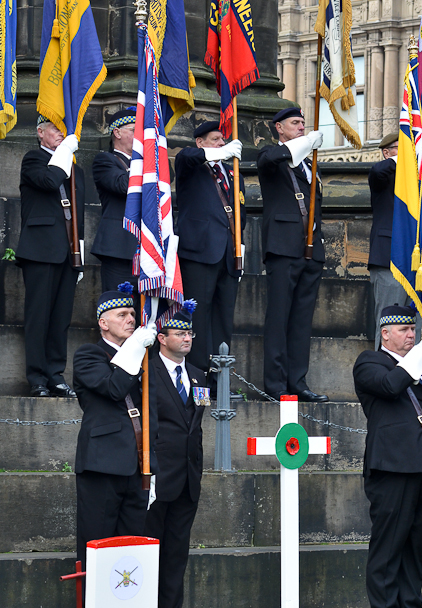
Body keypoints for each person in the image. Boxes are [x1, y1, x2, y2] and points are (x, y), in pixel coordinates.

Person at [353, 304, 422, 608]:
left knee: (415, 547)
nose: (412, 335)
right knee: (389, 546)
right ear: (385, 334)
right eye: (404, 330)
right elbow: (392, 385)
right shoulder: (369, 362)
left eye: (414, 331)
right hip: (392, 467)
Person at [73, 283, 158, 568]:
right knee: (97, 546)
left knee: (131, 552)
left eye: (133, 314)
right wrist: (135, 347)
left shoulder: (142, 358)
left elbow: (151, 414)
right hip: (103, 465)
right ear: (103, 322)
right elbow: (113, 388)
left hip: (137, 467)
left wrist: (152, 465)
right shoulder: (88, 355)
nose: (131, 319)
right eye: (122, 314)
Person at [144, 300, 209, 608]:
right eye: (180, 333)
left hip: (187, 477)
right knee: (151, 547)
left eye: (190, 333)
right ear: (160, 337)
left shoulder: (198, 374)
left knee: (176, 552)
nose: (187, 338)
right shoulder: (146, 372)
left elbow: (194, 425)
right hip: (157, 476)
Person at [257, 107, 328, 403]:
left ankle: (297, 381)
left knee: (301, 320)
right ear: (279, 128)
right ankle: (275, 385)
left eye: (303, 123)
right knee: (279, 317)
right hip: (283, 247)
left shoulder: (308, 165)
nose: (301, 127)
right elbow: (271, 158)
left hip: (310, 248)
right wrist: (304, 143)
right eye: (294, 123)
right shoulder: (271, 155)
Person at [16, 115, 84, 397]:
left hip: (68, 252)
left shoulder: (75, 170)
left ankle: (55, 374)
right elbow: (47, 181)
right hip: (41, 249)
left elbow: (77, 215)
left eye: (63, 130)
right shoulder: (33, 159)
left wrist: (78, 250)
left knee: (60, 319)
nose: (60, 134)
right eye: (55, 128)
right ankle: (37, 377)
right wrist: (65, 152)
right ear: (40, 133)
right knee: (39, 316)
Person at [175, 121, 245, 392]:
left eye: (222, 139)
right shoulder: (190, 163)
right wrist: (219, 153)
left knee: (223, 318)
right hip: (200, 252)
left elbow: (240, 209)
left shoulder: (230, 171)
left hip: (228, 253)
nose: (221, 143)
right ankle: (198, 376)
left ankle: (220, 379)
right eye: (215, 139)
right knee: (198, 318)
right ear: (201, 142)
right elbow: (185, 157)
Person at [368, 133, 421, 348]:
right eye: (401, 148)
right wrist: (402, 158)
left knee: (413, 323)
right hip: (388, 257)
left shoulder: (417, 178)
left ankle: (412, 376)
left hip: (416, 259)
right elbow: (378, 171)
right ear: (387, 152)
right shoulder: (384, 175)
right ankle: (384, 373)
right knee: (389, 320)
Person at [91, 107, 140, 313]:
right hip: (120, 249)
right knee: (120, 311)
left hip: (147, 250)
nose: (140, 136)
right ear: (117, 133)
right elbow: (122, 186)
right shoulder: (106, 160)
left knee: (147, 314)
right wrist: (143, 161)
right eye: (134, 130)